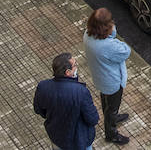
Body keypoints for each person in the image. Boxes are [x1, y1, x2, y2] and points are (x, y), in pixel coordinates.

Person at [84, 9, 132, 146]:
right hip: (112, 81)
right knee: (112, 108)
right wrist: (112, 32)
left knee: (106, 101)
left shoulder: (87, 35)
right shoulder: (109, 46)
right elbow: (126, 51)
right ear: (106, 28)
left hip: (100, 77)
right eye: (110, 23)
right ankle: (111, 134)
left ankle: (112, 117)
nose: (113, 24)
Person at [33, 53, 99, 150]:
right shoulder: (80, 92)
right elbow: (92, 119)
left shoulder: (43, 86)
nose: (77, 67)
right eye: (75, 65)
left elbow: (38, 110)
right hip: (79, 140)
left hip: (56, 137)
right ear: (68, 72)